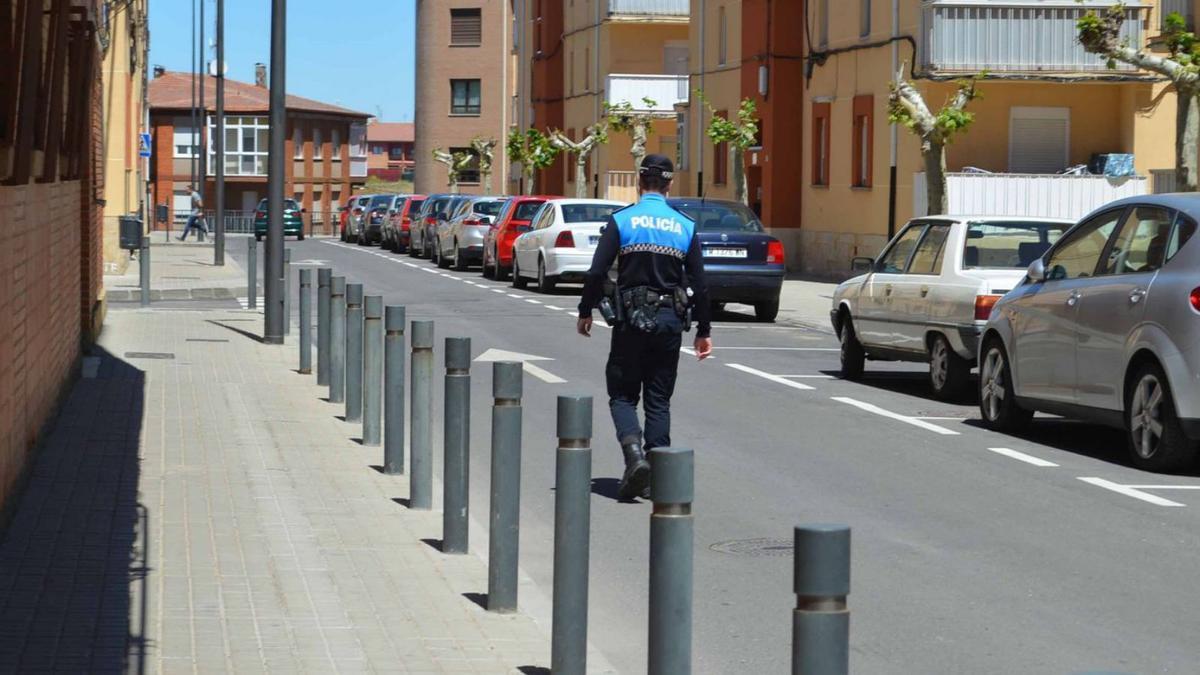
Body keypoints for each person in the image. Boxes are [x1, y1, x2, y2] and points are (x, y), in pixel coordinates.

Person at [577, 154, 713, 500]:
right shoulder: (684, 225)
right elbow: (701, 282)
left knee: (622, 394)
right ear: (669, 184)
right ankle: (657, 475)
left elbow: (596, 272)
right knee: (658, 399)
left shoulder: (623, 220)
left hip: (630, 321)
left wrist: (586, 310)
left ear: (640, 183)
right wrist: (703, 331)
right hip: (669, 321)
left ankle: (634, 456)